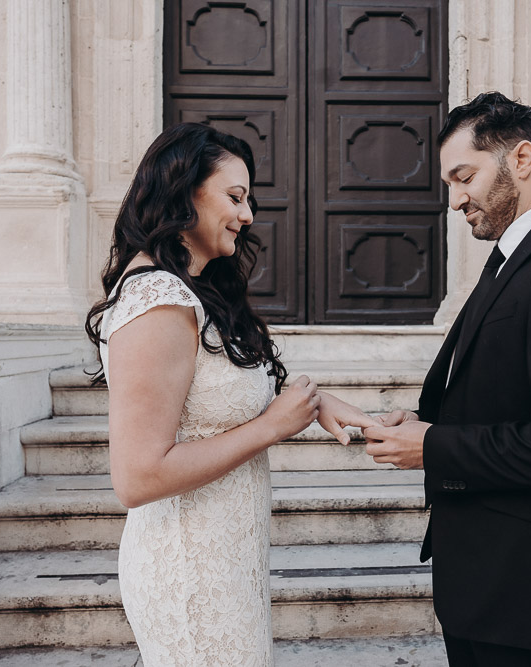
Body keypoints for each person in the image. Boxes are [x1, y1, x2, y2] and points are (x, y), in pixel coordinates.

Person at [362, 92, 531, 666]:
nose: (456, 198)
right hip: (483, 592)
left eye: (464, 176)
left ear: (520, 159)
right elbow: (503, 400)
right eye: (449, 183)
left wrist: (433, 447)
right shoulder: (513, 260)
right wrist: (424, 425)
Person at [85, 123, 372, 666]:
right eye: (235, 198)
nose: (248, 216)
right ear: (183, 194)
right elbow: (138, 476)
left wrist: (313, 400)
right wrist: (271, 427)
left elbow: (221, 390)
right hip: (189, 569)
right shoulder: (158, 300)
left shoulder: (195, 288)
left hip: (226, 561)